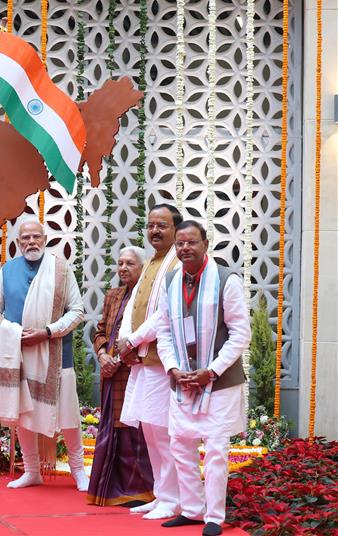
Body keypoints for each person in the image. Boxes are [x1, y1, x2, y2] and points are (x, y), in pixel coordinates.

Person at [156, 221, 250, 536]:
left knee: (215, 450)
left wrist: (211, 371)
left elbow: (240, 334)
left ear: (205, 243)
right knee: (180, 445)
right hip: (183, 380)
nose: (185, 248)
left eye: (191, 242)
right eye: (180, 243)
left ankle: (214, 517)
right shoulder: (170, 280)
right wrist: (172, 368)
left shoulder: (227, 280)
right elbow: (164, 331)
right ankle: (193, 510)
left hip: (219, 382)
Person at [0, 218, 89, 491]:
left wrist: (47, 331)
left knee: (68, 414)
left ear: (44, 240)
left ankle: (79, 471)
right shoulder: (7, 271)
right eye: (25, 238)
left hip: (56, 353)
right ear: (18, 243)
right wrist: (11, 331)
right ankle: (32, 471)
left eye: (36, 237)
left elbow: (77, 311)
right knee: (23, 415)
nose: (31, 242)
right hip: (18, 353)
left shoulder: (61, 270)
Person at [116, 203, 183, 520]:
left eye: (162, 225)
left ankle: (174, 499)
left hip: (161, 360)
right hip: (144, 359)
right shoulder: (154, 261)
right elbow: (133, 306)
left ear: (176, 229)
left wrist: (134, 339)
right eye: (151, 225)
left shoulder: (176, 263)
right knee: (150, 430)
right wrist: (124, 338)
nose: (155, 230)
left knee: (163, 431)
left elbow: (165, 314)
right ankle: (162, 495)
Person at [87, 246, 155, 507]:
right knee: (112, 429)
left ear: (142, 267)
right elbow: (100, 331)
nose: (123, 268)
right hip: (110, 374)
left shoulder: (148, 298)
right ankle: (110, 489)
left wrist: (119, 359)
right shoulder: (113, 295)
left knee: (132, 431)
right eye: (120, 263)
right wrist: (103, 355)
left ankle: (140, 491)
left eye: (130, 264)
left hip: (134, 370)